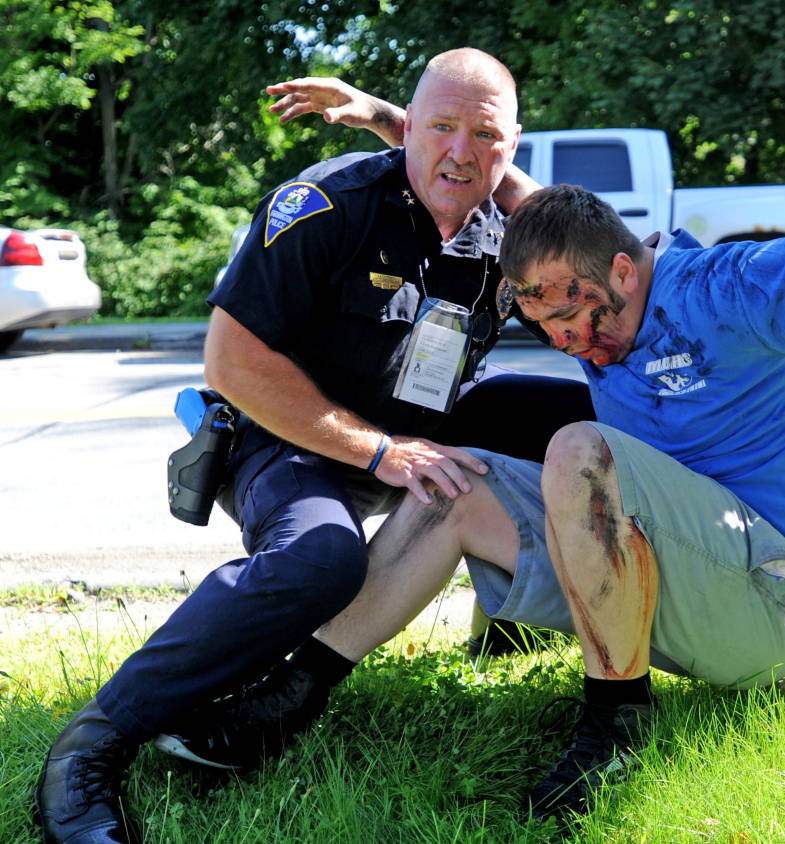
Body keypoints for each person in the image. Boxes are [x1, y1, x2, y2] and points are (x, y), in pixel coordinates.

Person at [153, 183, 785, 825]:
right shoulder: (585, 272)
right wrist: (395, 122)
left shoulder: (725, 286)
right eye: (547, 327)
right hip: (676, 570)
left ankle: (615, 729)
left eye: (574, 316)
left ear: (626, 270)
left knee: (576, 445)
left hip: (774, 592)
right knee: (453, 477)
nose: (570, 342)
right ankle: (293, 698)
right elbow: (516, 191)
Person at [34, 49, 596, 844]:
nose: (462, 152)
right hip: (288, 438)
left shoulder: (505, 227)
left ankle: (507, 625)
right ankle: (92, 745)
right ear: (413, 128)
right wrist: (381, 455)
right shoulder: (329, 203)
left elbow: (572, 233)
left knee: (582, 418)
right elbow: (230, 363)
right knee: (323, 560)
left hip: (422, 421)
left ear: (513, 145)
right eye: (440, 126)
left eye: (487, 136)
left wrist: (390, 114)